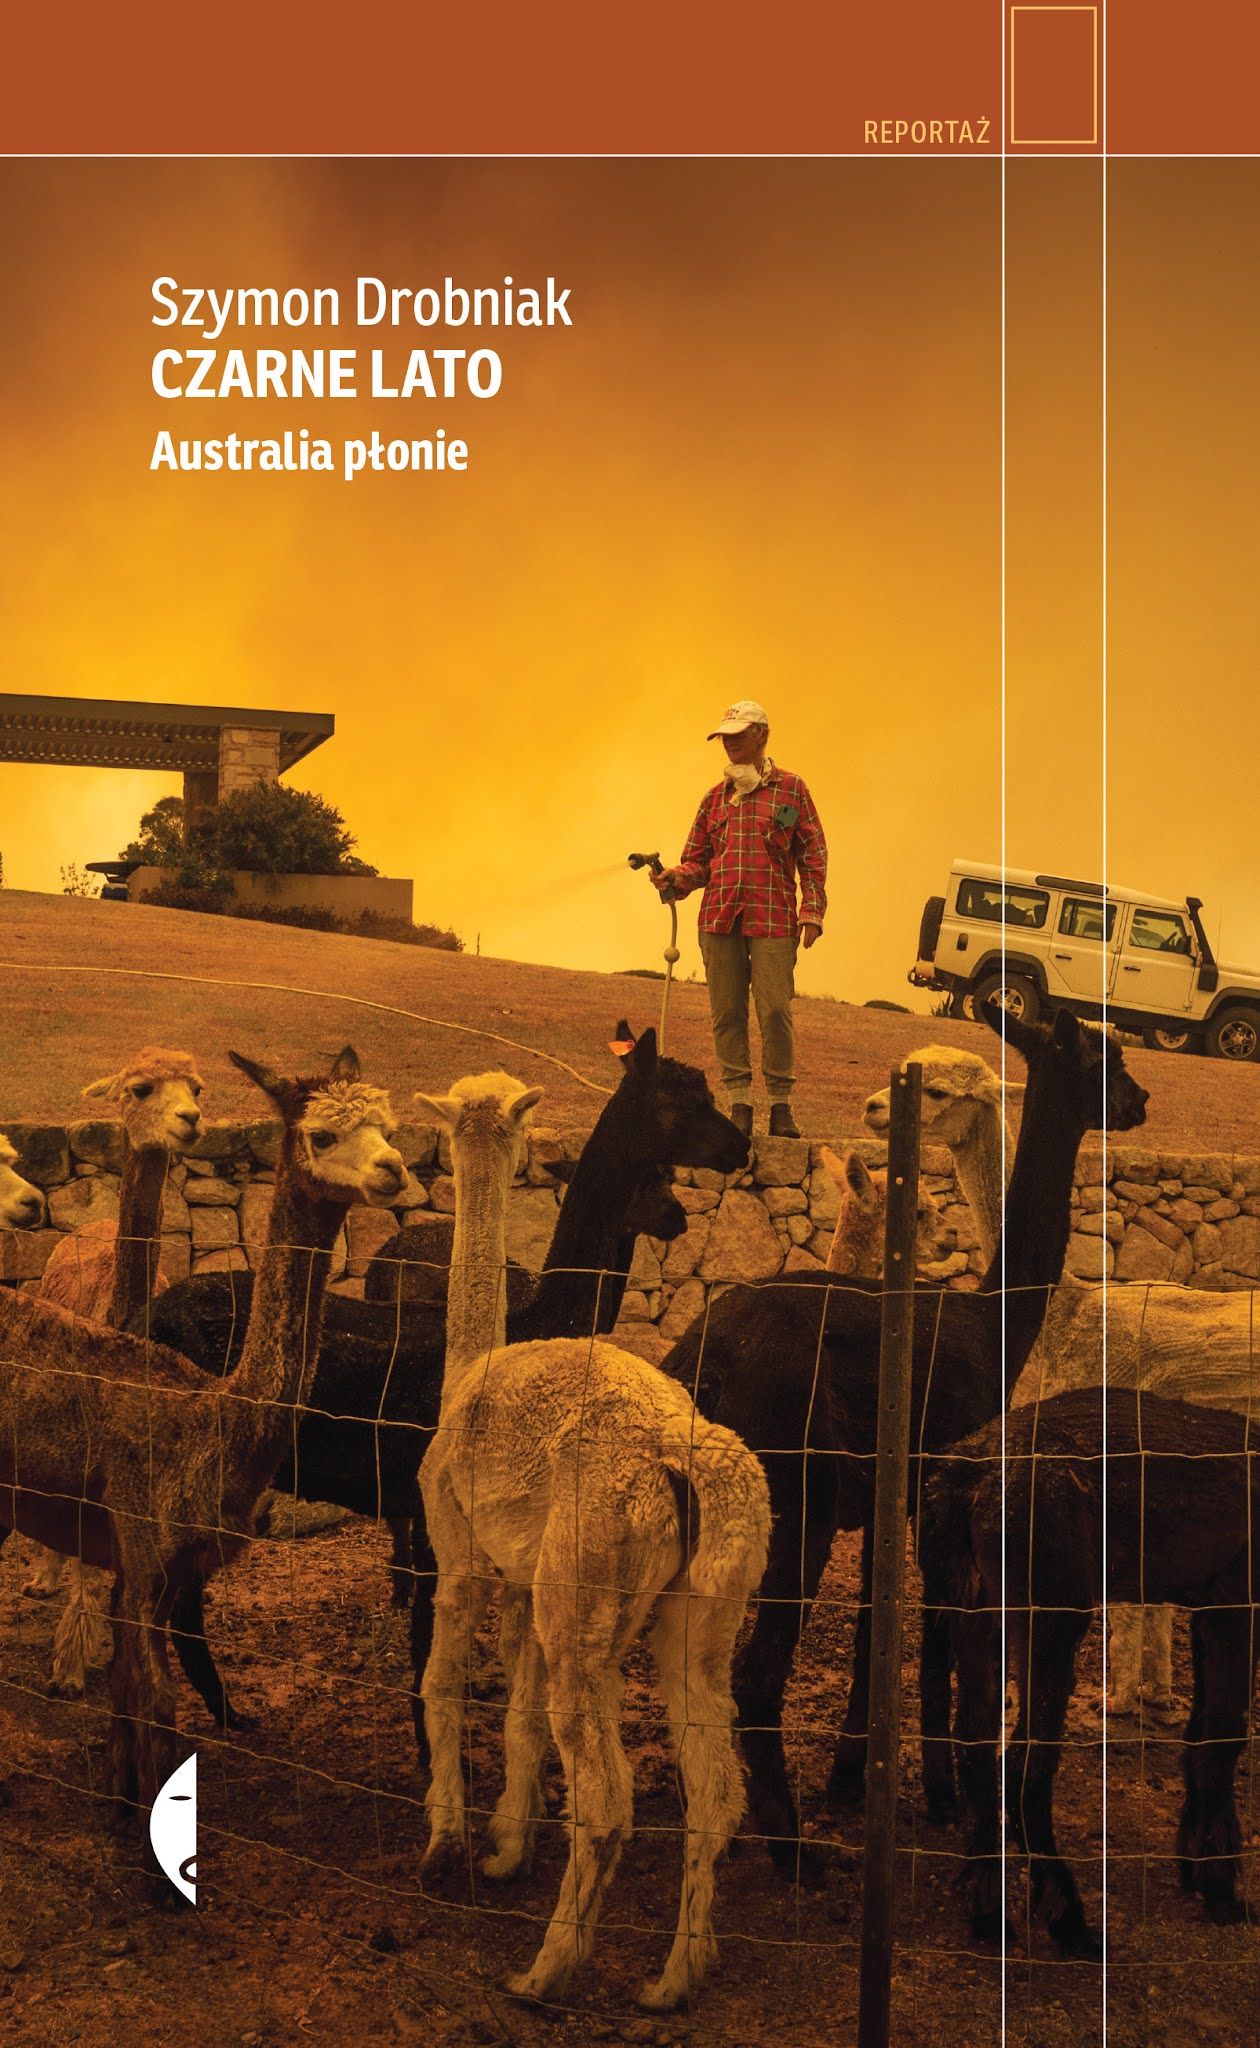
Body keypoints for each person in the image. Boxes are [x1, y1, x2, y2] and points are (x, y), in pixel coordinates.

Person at [652, 699, 827, 1139]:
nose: (729, 743)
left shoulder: (792, 791)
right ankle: (740, 1103)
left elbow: (813, 854)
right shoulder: (714, 799)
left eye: (738, 735)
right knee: (727, 1014)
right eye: (724, 737)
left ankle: (781, 1106)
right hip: (719, 919)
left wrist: (812, 910)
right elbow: (698, 862)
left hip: (774, 920)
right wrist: (675, 877)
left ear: (762, 735)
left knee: (775, 1012)